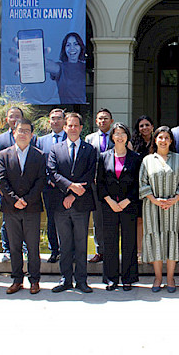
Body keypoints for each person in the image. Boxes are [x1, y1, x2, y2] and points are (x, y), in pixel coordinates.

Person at [48, 112, 97, 293]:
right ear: (65, 127)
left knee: (81, 243)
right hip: (61, 204)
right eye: (70, 125)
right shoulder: (56, 149)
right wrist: (70, 187)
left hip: (81, 204)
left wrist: (74, 195)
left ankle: (82, 280)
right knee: (65, 244)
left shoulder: (89, 149)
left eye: (76, 125)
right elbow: (53, 173)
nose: (73, 128)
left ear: (81, 128)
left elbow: (90, 175)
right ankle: (65, 279)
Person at [0, 119, 46, 295]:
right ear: (14, 133)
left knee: (33, 247)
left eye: (27, 131)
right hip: (11, 209)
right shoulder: (4, 154)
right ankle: (17, 280)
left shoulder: (39, 155)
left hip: (31, 208)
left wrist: (27, 199)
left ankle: (34, 280)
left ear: (32, 135)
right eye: (20, 130)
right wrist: (14, 200)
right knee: (14, 246)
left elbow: (41, 180)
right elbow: (2, 180)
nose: (23, 134)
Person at [139, 126, 179, 293]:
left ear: (171, 141)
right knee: (156, 240)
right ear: (155, 140)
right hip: (153, 207)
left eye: (166, 137)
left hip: (175, 207)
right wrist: (155, 200)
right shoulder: (147, 160)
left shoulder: (178, 159)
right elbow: (142, 183)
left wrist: (174, 199)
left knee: (171, 239)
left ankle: (170, 278)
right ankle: (158, 277)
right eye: (160, 137)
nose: (163, 140)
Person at [96, 123, 141, 291]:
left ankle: (128, 278)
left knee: (129, 242)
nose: (120, 136)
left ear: (127, 136)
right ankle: (111, 278)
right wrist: (110, 201)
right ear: (112, 137)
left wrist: (127, 200)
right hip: (109, 206)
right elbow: (100, 182)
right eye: (116, 133)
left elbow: (138, 183)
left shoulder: (135, 158)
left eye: (123, 133)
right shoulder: (103, 157)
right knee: (110, 243)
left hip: (128, 206)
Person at [0, 106, 36, 262]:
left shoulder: (33, 138)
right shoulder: (0, 140)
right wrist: (4, 191)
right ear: (7, 120)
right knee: (7, 222)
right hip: (7, 191)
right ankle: (7, 249)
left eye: (18, 116)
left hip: (27, 192)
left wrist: (27, 196)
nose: (15, 119)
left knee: (27, 224)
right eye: (12, 116)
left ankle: (23, 248)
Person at [85, 108, 115, 263]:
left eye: (106, 118)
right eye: (100, 119)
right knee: (98, 220)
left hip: (114, 185)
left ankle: (113, 250)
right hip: (95, 185)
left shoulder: (117, 136)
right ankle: (100, 251)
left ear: (111, 121)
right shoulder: (89, 139)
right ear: (96, 121)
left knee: (114, 219)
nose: (103, 121)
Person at [37, 108, 67, 263]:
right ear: (49, 121)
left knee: (68, 220)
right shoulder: (41, 141)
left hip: (67, 188)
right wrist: (47, 179)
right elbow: (39, 163)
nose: (56, 121)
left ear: (64, 120)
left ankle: (69, 250)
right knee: (51, 220)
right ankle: (54, 250)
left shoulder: (71, 137)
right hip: (49, 187)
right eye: (53, 118)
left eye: (59, 118)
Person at [131, 115, 155, 259]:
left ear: (152, 127)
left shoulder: (159, 141)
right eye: (141, 126)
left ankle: (153, 252)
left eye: (147, 125)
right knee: (139, 220)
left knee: (154, 220)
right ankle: (139, 251)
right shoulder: (133, 143)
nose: (144, 128)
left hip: (155, 186)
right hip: (138, 186)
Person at [49, 32, 86, 104]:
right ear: (64, 48)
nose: (72, 48)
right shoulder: (60, 67)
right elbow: (46, 64)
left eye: (76, 44)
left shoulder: (84, 67)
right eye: (68, 45)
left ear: (81, 47)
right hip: (66, 108)